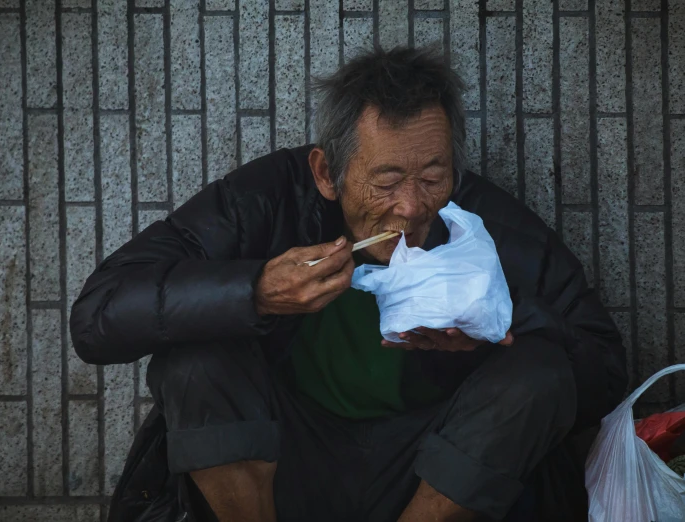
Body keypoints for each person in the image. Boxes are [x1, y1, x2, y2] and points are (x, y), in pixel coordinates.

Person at [69, 46, 627, 522]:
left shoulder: (483, 226)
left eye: (433, 177)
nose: (411, 208)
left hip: (429, 474)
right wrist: (255, 291)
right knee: (196, 357)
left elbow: (601, 370)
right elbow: (97, 317)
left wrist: (498, 325)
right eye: (386, 181)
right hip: (282, 462)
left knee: (539, 368)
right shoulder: (266, 202)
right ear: (325, 173)